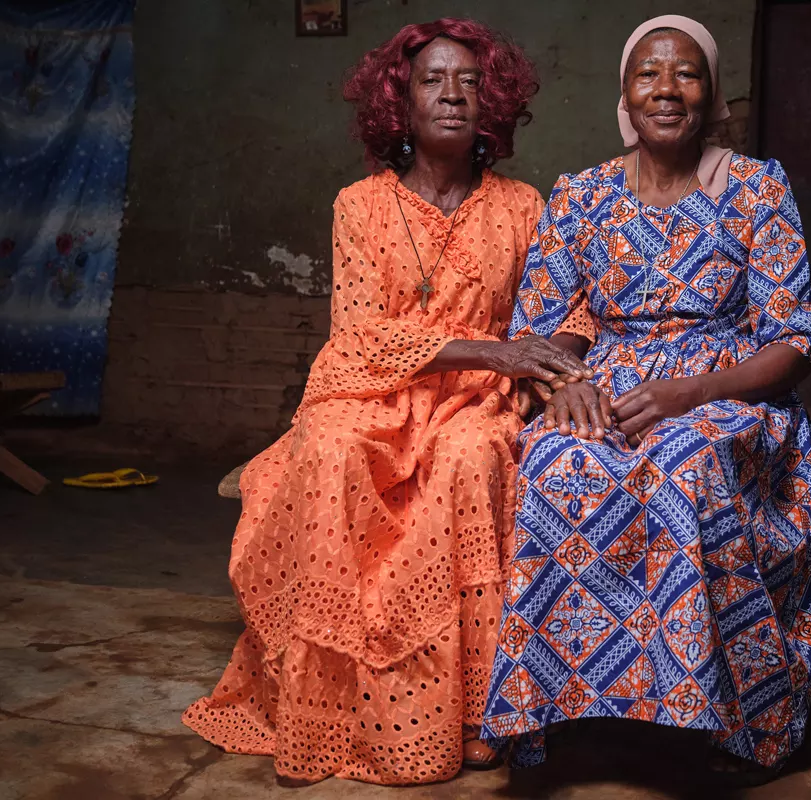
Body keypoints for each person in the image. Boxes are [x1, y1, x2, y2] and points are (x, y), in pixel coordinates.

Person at [181, 18, 589, 786]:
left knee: (470, 459)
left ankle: (467, 719)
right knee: (330, 451)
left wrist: (539, 362)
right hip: (376, 387)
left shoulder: (525, 205)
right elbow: (363, 333)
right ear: (398, 103)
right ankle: (318, 715)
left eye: (470, 82)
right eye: (433, 80)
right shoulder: (359, 206)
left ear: (492, 102)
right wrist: (492, 348)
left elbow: (566, 314)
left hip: (477, 401)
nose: (452, 95)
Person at [477, 15, 811, 785]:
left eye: (686, 74)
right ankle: (552, 715)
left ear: (711, 96)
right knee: (553, 462)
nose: (666, 90)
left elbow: (792, 343)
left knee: (683, 464)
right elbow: (546, 325)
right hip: (611, 384)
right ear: (625, 96)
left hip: (725, 392)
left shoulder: (756, 187)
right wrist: (567, 385)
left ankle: (735, 723)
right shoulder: (582, 194)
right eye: (648, 75)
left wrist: (688, 393)